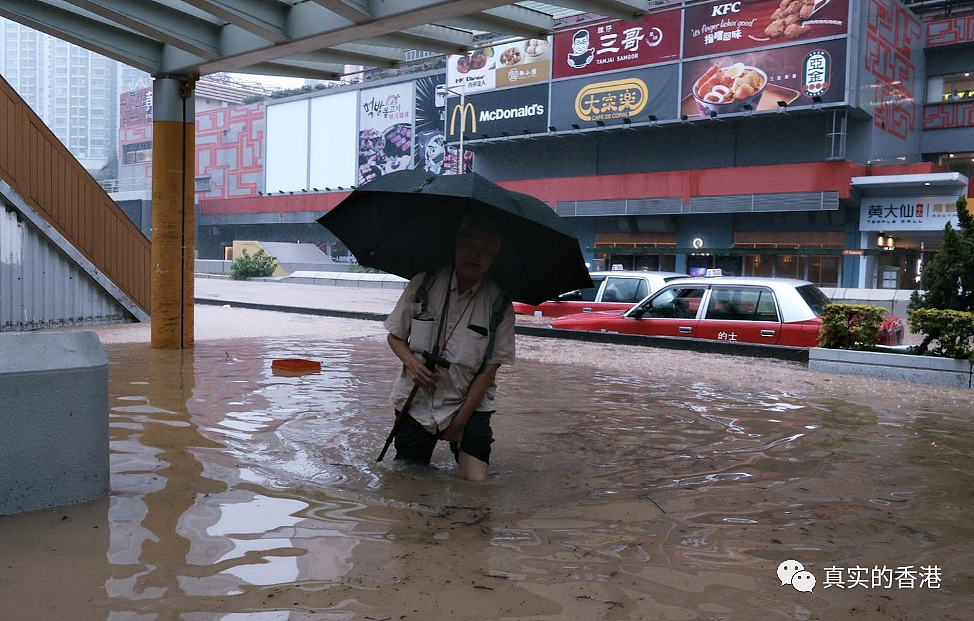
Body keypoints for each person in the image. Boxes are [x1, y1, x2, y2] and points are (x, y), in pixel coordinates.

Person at [383, 214, 515, 481]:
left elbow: (489, 371)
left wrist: (460, 422)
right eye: (469, 244)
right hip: (417, 399)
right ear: (455, 245)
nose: (474, 254)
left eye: (485, 249)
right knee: (407, 481)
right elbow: (394, 336)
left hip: (471, 403)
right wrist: (412, 363)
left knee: (476, 486)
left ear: (493, 257)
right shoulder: (425, 283)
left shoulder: (499, 303)